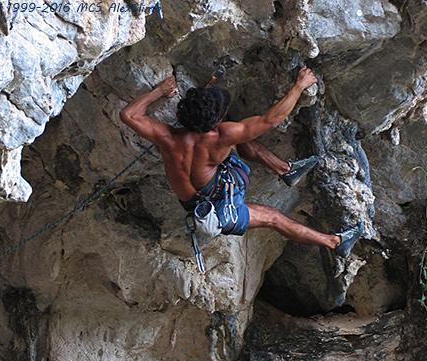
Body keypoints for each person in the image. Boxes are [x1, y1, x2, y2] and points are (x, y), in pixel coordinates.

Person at [120, 66, 362, 257]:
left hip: (196, 201)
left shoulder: (167, 138)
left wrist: (159, 91)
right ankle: (335, 242)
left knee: (239, 139)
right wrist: (299, 85)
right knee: (275, 218)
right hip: (222, 208)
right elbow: (271, 120)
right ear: (215, 121)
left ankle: (286, 170)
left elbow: (129, 115)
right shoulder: (221, 136)